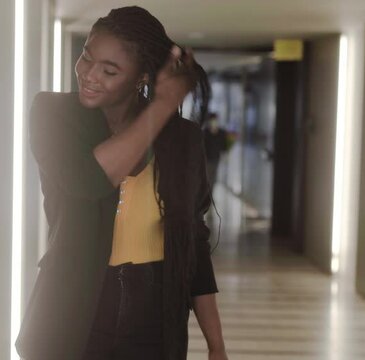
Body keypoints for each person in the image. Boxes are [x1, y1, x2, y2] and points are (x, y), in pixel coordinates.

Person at [16, 6, 227, 360]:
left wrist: (216, 344)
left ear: (141, 77)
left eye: (109, 70)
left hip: (154, 313)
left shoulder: (182, 139)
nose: (89, 74)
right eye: (87, 56)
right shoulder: (54, 115)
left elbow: (193, 241)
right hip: (74, 310)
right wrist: (161, 108)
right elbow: (89, 180)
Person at [203, 113, 230, 186]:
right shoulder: (205, 132)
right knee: (207, 177)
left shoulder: (221, 132)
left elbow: (224, 145)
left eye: (215, 120)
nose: (214, 122)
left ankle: (210, 193)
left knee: (213, 178)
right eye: (212, 120)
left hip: (216, 158)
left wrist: (225, 154)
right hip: (206, 159)